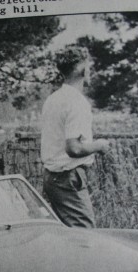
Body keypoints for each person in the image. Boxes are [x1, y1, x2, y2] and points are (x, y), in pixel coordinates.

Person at [40, 46, 110, 228]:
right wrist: (100, 145)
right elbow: (74, 148)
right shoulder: (76, 102)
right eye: (89, 67)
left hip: (52, 177)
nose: (90, 71)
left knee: (66, 237)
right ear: (83, 70)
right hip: (67, 178)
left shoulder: (53, 99)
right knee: (85, 235)